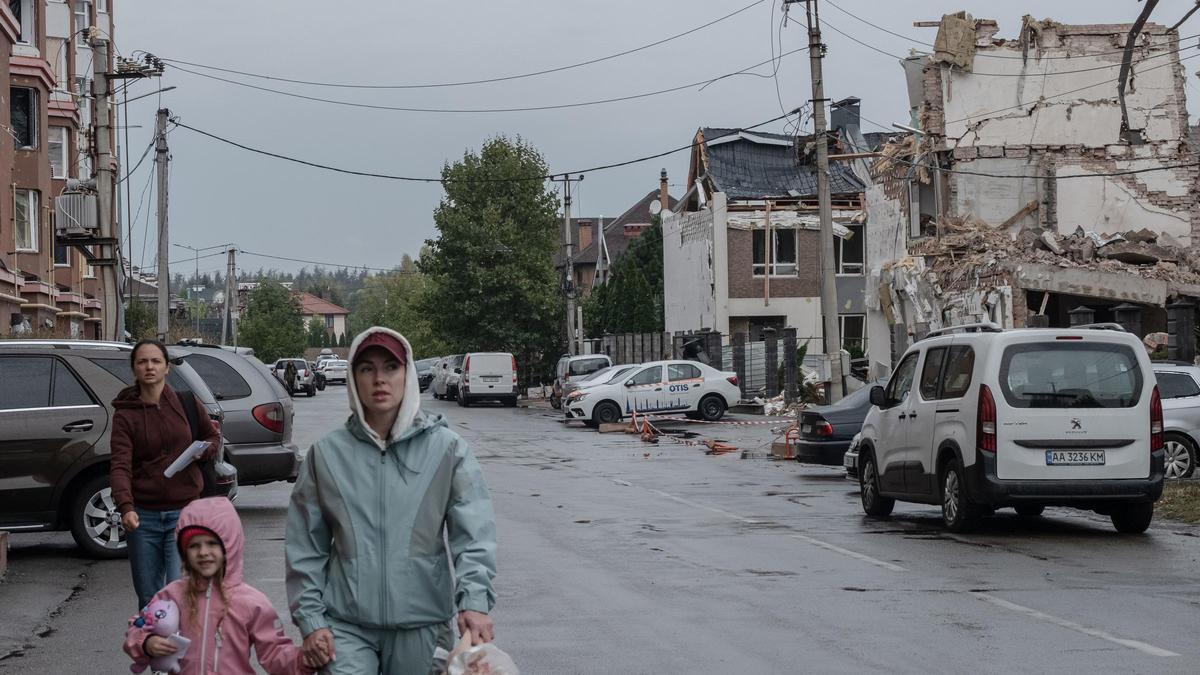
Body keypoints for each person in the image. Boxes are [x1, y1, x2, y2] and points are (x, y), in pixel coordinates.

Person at [286, 328, 497, 674]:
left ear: (408, 373)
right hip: (347, 621)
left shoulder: (447, 450)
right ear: (353, 378)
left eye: (391, 367)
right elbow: (305, 545)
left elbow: (474, 536)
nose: (379, 379)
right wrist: (311, 619)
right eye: (367, 368)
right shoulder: (327, 455)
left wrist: (474, 601)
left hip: (421, 621)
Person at [124, 497, 317, 674]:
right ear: (183, 552)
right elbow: (137, 626)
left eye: (211, 543)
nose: (203, 552)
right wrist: (147, 642)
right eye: (193, 545)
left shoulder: (252, 602)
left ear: (229, 545)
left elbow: (275, 652)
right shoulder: (172, 595)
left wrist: (304, 661)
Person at [111, 338, 221, 609]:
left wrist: (203, 451)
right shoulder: (125, 415)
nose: (150, 367)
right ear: (134, 368)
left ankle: (182, 651)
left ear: (166, 368)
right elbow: (120, 464)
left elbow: (212, 436)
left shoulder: (186, 402)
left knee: (179, 594)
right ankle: (153, 650)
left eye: (156, 361)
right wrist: (126, 507)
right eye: (143, 362)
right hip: (143, 518)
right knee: (150, 600)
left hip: (184, 513)